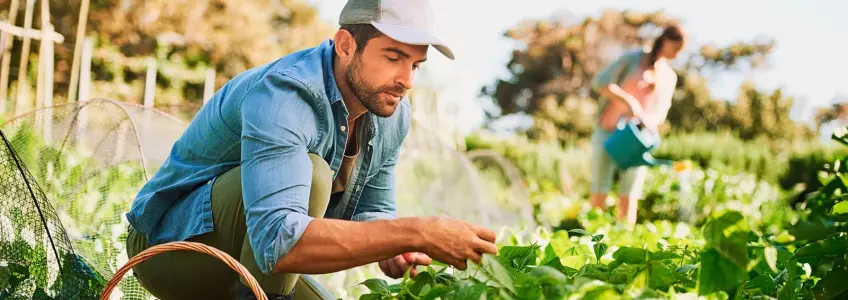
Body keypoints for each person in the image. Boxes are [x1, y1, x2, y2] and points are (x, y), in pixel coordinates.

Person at [123, 1, 498, 299]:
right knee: (314, 172)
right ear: (346, 45)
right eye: (393, 57)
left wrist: (393, 248)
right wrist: (417, 232)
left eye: (416, 64)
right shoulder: (285, 94)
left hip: (255, 263)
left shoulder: (391, 114)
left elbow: (373, 211)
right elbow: (278, 242)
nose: (406, 81)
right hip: (169, 249)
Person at [588, 24, 687, 225]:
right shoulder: (633, 59)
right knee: (600, 186)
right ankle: (593, 235)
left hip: (635, 139)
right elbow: (600, 82)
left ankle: (625, 238)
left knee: (630, 191)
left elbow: (661, 110)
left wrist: (648, 120)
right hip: (609, 129)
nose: (677, 54)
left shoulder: (669, 76)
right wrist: (629, 102)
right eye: (676, 48)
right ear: (665, 41)